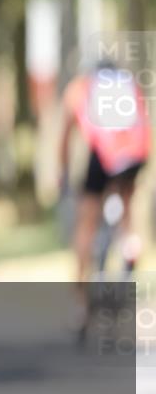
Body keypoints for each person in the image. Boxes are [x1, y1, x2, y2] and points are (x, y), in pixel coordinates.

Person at [59, 59, 151, 291]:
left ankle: (80, 299)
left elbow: (65, 137)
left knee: (87, 220)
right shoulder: (128, 83)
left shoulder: (80, 86)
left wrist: (64, 174)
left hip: (102, 155)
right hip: (133, 156)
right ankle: (130, 252)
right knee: (127, 217)